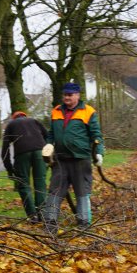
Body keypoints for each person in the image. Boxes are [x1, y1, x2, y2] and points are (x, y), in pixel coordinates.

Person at [41, 82, 104, 231]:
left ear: (77, 95)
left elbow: (96, 135)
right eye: (65, 94)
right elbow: (51, 134)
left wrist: (99, 152)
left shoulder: (88, 111)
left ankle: (83, 225)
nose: (67, 97)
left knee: (82, 192)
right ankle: (50, 224)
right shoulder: (56, 111)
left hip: (80, 159)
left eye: (70, 94)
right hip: (60, 160)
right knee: (55, 191)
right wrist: (48, 145)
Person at [1, 110, 48, 222]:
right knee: (40, 182)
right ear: (25, 116)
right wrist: (48, 155)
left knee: (23, 184)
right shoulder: (34, 121)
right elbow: (48, 136)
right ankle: (42, 213)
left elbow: (5, 150)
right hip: (39, 151)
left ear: (14, 118)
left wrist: (9, 169)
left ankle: (32, 216)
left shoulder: (11, 125)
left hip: (22, 154)